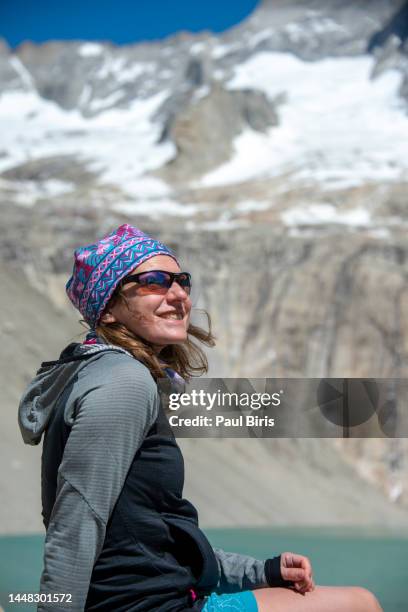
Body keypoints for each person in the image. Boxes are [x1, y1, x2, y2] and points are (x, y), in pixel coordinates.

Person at [18, 224, 382, 612]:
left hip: (158, 597)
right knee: (359, 604)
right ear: (108, 308)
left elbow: (152, 538)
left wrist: (262, 571)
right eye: (153, 282)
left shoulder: (103, 373)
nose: (178, 295)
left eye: (181, 281)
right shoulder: (123, 383)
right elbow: (76, 519)